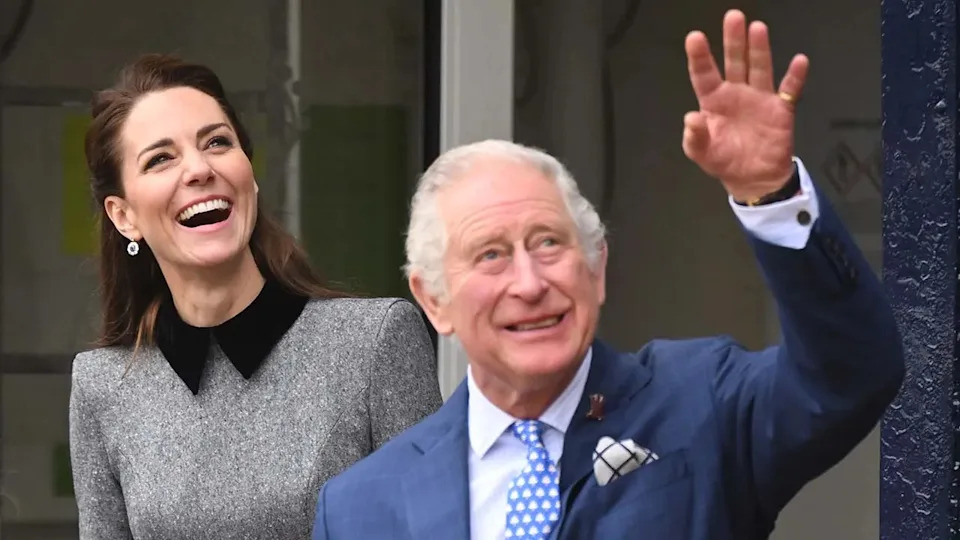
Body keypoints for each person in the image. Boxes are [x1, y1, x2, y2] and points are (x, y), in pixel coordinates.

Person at [310, 9, 905, 540]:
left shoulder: (702, 404)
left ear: (596, 267)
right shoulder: (363, 505)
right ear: (433, 300)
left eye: (548, 243)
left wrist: (769, 197)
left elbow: (850, 375)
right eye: (490, 255)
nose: (529, 282)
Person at [68, 53, 442, 539]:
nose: (199, 169)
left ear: (249, 172)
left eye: (217, 143)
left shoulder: (374, 344)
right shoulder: (102, 387)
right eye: (161, 158)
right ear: (123, 216)